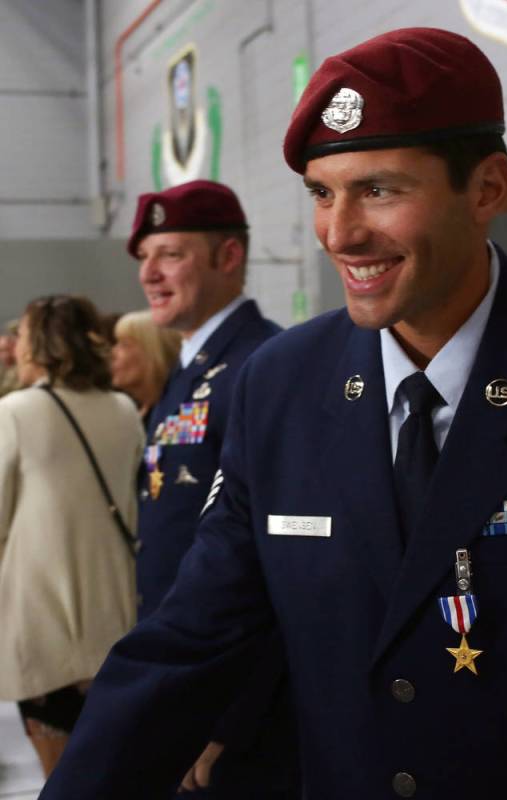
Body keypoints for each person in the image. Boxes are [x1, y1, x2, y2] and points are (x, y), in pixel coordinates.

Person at [42, 28, 507, 799]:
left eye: (380, 189)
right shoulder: (280, 389)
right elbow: (189, 643)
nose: (341, 233)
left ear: (488, 188)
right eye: (322, 193)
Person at [126, 179, 292, 798]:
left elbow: (281, 558)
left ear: (229, 256)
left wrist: (227, 713)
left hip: (234, 704)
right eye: (145, 258)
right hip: (187, 674)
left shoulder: (263, 363)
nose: (150, 274)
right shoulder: (193, 366)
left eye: (170, 254)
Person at [0, 295, 144, 778]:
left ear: (37, 343)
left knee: (58, 776)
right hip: (113, 617)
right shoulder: (124, 409)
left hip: (41, 622)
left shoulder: (16, 412)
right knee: (106, 769)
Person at [110, 309, 181, 424]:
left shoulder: (178, 411)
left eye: (125, 345)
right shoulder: (134, 411)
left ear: (153, 352)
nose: (113, 353)